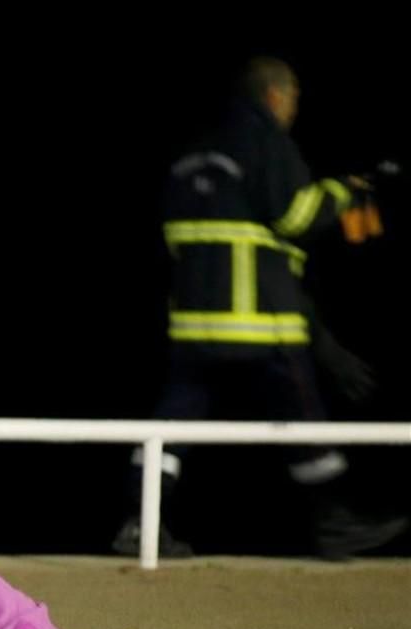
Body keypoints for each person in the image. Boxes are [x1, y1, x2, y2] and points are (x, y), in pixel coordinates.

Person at [112, 56, 408, 560]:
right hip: (260, 322)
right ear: (274, 95)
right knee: (303, 418)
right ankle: (335, 522)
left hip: (193, 323)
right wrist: (344, 193)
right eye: (293, 97)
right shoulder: (267, 142)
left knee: (171, 426)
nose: (294, 106)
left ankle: (139, 524)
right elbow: (294, 215)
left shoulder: (193, 150)